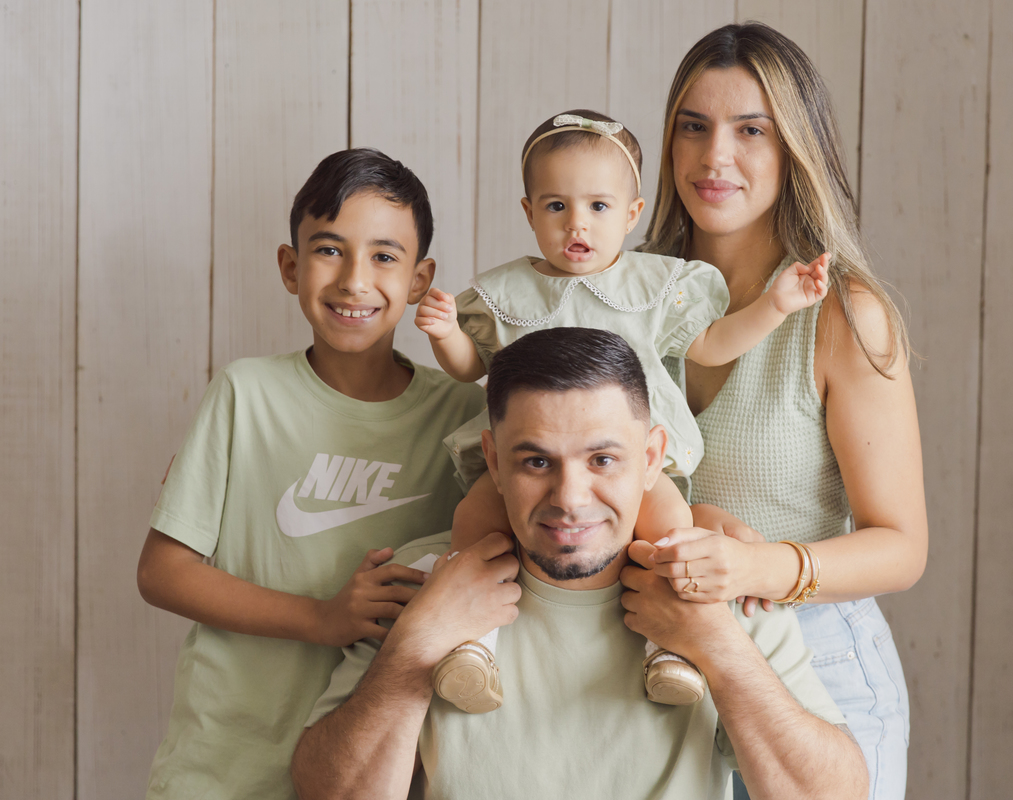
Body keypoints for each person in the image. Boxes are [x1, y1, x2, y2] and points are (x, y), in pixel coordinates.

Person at [291, 327, 868, 800]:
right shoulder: (424, 579)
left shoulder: (719, 582)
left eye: (602, 460)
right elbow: (328, 792)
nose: (570, 498)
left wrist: (718, 645)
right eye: (537, 462)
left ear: (651, 458)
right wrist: (416, 644)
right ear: (494, 462)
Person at [413, 108, 829, 710]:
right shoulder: (508, 293)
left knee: (671, 529)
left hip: (629, 466)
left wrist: (776, 305)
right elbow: (470, 366)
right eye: (556, 206)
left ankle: (671, 646)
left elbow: (711, 345)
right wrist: (446, 333)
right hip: (530, 463)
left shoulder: (652, 287)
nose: (576, 223)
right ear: (529, 213)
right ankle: (472, 643)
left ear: (632, 215)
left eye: (599, 207)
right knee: (473, 522)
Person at [135, 149, 484, 800]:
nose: (354, 281)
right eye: (329, 250)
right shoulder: (245, 394)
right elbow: (162, 572)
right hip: (221, 773)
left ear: (420, 279)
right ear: (290, 267)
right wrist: (323, 618)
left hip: (374, 773)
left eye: (384, 256)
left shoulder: (465, 416)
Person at [638, 23, 929, 800]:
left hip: (817, 674)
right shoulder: (633, 300)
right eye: (693, 127)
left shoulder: (843, 317)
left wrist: (757, 567)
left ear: (796, 149)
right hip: (657, 677)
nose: (714, 156)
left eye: (751, 131)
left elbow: (902, 547)